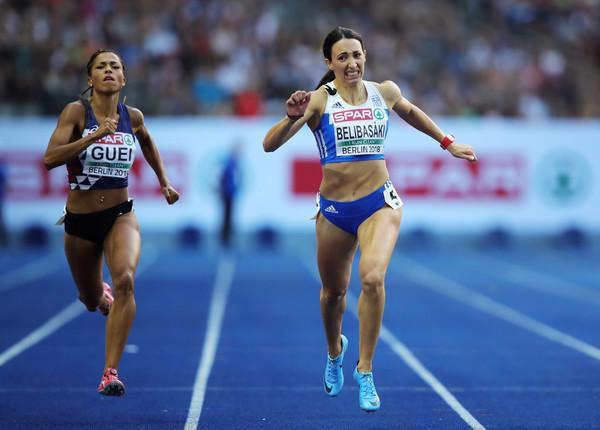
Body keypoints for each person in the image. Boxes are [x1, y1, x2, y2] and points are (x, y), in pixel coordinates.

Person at [262, 27, 477, 412]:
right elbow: (269, 144)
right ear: (329, 63)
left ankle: (365, 369)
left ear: (365, 57)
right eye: (342, 57)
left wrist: (447, 142)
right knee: (333, 294)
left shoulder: (384, 92)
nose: (352, 63)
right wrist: (289, 118)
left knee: (373, 278)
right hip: (334, 211)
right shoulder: (319, 99)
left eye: (357, 55)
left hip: (379, 204)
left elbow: (411, 112)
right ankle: (334, 353)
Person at [43, 49, 179, 396]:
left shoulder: (132, 116)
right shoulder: (76, 112)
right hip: (80, 221)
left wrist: (164, 181)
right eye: (101, 66)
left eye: (114, 66)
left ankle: (110, 372)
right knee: (90, 300)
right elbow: (49, 159)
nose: (108, 70)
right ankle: (99, 298)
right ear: (90, 79)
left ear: (123, 78)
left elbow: (147, 142)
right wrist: (93, 136)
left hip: (120, 214)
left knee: (126, 281)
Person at [217, 143, 242, 247]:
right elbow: (221, 177)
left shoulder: (233, 163)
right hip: (227, 193)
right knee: (226, 217)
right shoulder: (229, 163)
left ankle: (227, 238)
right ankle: (225, 239)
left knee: (229, 217)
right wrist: (222, 190)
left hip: (230, 193)